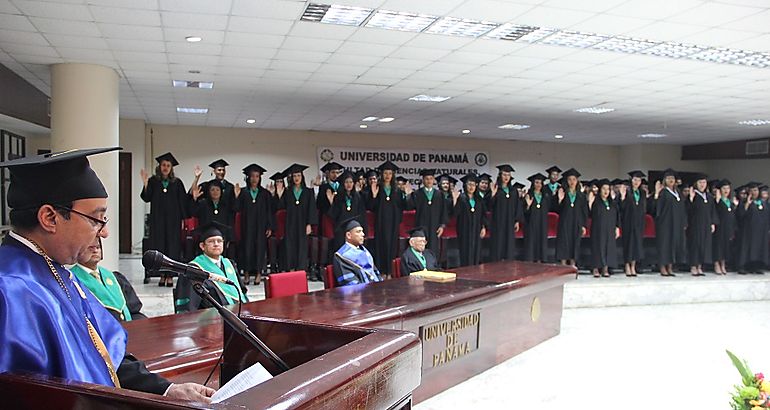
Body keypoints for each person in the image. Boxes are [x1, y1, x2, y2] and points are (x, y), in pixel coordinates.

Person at [0, 148, 214, 401]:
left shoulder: (56, 271)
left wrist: (166, 390)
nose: (104, 233)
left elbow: (104, 354)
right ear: (49, 217)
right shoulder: (10, 289)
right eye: (96, 219)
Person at [140, 152, 192, 287]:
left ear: (171, 168)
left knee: (172, 247)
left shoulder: (177, 183)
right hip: (157, 221)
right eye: (163, 165)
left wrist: (183, 220)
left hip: (173, 222)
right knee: (159, 246)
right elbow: (147, 197)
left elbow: (184, 201)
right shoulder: (153, 181)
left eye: (168, 165)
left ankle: (170, 275)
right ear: (160, 166)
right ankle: (161, 275)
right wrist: (145, 184)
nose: (165, 167)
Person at [174, 222, 248, 313]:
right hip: (211, 318)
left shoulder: (230, 264)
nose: (216, 244)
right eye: (211, 241)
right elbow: (189, 306)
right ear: (202, 246)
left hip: (239, 313)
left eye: (219, 241)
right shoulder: (193, 269)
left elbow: (242, 292)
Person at [71, 237, 147, 322]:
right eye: (90, 248)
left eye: (98, 247)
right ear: (78, 251)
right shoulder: (71, 281)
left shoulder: (115, 277)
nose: (95, 251)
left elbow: (135, 311)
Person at [366, 161, 409, 277]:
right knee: (380, 246)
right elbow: (370, 207)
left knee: (392, 246)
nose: (388, 176)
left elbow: (404, 207)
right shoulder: (377, 188)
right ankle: (381, 272)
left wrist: (407, 195)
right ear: (382, 174)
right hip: (380, 223)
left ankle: (390, 272)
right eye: (385, 173)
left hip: (393, 223)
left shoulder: (397, 191)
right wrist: (374, 196)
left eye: (390, 173)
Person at [234, 164, 274, 285]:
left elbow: (269, 211)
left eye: (257, 176)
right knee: (247, 249)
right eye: (252, 176)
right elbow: (236, 209)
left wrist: (269, 226)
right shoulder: (243, 192)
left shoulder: (265, 193)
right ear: (248, 178)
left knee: (260, 249)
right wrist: (236, 196)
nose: (254, 179)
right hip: (247, 226)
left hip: (261, 226)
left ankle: (258, 273)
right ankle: (246, 273)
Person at [275, 163, 317, 272]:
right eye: (294, 176)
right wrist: (279, 195)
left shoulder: (308, 192)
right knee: (290, 245)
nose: (296, 178)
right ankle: (290, 269)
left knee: (302, 246)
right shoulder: (287, 192)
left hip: (303, 223)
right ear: (291, 178)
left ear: (302, 176)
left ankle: (301, 269)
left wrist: (309, 224)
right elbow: (280, 208)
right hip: (290, 223)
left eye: (298, 175)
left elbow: (311, 209)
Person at [652, 168, 687, 277]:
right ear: (664, 180)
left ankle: (670, 267)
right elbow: (656, 208)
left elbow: (683, 209)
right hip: (665, 224)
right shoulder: (663, 192)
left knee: (673, 245)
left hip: (676, 224)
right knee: (664, 245)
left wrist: (684, 222)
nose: (671, 180)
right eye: (668, 178)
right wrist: (656, 194)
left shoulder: (678, 193)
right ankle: (662, 267)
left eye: (672, 178)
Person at [407, 168, 448, 255]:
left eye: (431, 179)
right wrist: (408, 195)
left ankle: (433, 267)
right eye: (426, 179)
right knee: (422, 248)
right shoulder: (417, 193)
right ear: (423, 180)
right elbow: (410, 206)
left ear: (433, 180)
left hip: (435, 227)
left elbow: (443, 211)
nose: (429, 181)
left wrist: (442, 226)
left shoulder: (439, 194)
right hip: (421, 226)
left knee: (434, 249)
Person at [332, 218, 383, 286]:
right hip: (358, 294)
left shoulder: (365, 251)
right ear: (348, 235)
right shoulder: (342, 256)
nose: (363, 234)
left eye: (362, 231)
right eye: (358, 231)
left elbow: (376, 273)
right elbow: (350, 283)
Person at [488, 164, 523, 262]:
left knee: (509, 242)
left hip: (510, 221)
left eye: (508, 175)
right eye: (504, 175)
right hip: (498, 222)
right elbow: (489, 206)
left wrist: (517, 221)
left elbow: (517, 206)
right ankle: (496, 262)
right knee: (498, 242)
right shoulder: (495, 189)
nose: (506, 177)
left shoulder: (513, 191)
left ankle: (508, 262)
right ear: (500, 175)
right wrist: (493, 195)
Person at [686, 174, 718, 276]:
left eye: (704, 182)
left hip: (706, 224)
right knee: (695, 245)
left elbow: (713, 211)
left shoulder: (708, 196)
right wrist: (690, 199)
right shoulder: (693, 195)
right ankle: (693, 266)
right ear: (696, 184)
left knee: (704, 245)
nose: (702, 185)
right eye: (700, 182)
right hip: (695, 224)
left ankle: (699, 266)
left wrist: (713, 223)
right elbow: (688, 210)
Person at [554, 168, 588, 267]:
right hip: (565, 221)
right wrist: (559, 200)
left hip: (577, 222)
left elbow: (584, 212)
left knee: (575, 242)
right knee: (564, 241)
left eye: (574, 179)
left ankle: (573, 264)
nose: (572, 182)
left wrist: (583, 225)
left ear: (577, 181)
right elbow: (555, 209)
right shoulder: (562, 193)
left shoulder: (581, 195)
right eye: (569, 179)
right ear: (566, 181)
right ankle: (563, 264)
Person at [453, 173, 488, 266]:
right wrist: (455, 200)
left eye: (473, 185)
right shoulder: (461, 198)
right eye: (469, 184)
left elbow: (483, 215)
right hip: (464, 229)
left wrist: (483, 227)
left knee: (476, 249)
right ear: (465, 185)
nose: (471, 187)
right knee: (465, 249)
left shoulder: (479, 199)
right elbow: (455, 214)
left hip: (476, 229)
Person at [588, 179, 621, 277]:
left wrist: (617, 228)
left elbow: (617, 216)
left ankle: (605, 268)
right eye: (604, 189)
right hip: (598, 230)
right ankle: (595, 268)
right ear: (600, 190)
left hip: (610, 229)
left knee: (608, 248)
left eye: (608, 189)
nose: (606, 191)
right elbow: (591, 215)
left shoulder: (612, 203)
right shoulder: (596, 202)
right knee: (598, 247)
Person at [328, 171, 367, 252]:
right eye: (346, 182)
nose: (349, 184)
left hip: (354, 229)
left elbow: (362, 214)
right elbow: (333, 215)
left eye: (351, 182)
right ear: (343, 183)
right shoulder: (338, 197)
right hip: (341, 230)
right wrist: (332, 202)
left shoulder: (358, 197)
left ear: (353, 183)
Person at [735, 182, 769, 274]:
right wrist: (747, 204)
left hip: (761, 231)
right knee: (747, 248)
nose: (754, 192)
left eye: (756, 190)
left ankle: (755, 266)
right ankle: (743, 266)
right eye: (752, 190)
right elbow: (740, 215)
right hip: (748, 231)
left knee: (758, 249)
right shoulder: (744, 202)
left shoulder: (763, 202)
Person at [619, 171, 648, 276]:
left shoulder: (642, 193)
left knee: (637, 245)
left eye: (639, 180)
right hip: (628, 222)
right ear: (631, 180)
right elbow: (621, 207)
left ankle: (633, 266)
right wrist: (622, 197)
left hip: (639, 223)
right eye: (635, 180)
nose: (637, 182)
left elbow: (644, 208)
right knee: (629, 244)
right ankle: (627, 265)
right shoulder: (626, 192)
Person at [524, 173, 550, 263]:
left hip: (542, 222)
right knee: (531, 240)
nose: (538, 185)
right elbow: (524, 212)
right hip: (531, 222)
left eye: (540, 183)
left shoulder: (545, 196)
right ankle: (531, 259)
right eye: (536, 182)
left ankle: (540, 259)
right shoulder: (528, 195)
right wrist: (527, 206)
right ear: (533, 184)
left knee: (541, 240)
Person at [713, 179, 737, 275]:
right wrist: (717, 201)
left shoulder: (730, 202)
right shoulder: (716, 201)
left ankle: (723, 264)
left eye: (728, 188)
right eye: (724, 188)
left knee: (726, 247)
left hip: (728, 227)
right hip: (719, 227)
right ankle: (716, 264)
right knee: (718, 246)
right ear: (720, 190)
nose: (726, 190)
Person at [316, 161, 345, 229]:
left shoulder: (342, 187)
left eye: (337, 172)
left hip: (340, 217)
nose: (335, 175)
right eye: (333, 172)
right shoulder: (323, 187)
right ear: (328, 173)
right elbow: (319, 204)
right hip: (327, 217)